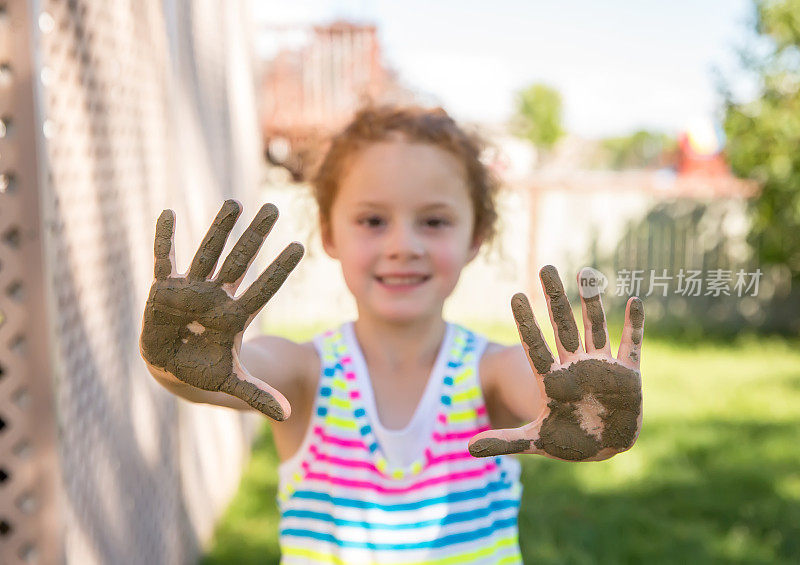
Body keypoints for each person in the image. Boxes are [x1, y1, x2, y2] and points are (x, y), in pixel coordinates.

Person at [140, 105, 644, 564]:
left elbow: (546, 394)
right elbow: (226, 371)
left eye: (434, 221)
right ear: (331, 232)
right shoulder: (304, 373)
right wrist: (178, 363)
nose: (403, 245)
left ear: (476, 236)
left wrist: (597, 415)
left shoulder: (490, 373)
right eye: (373, 220)